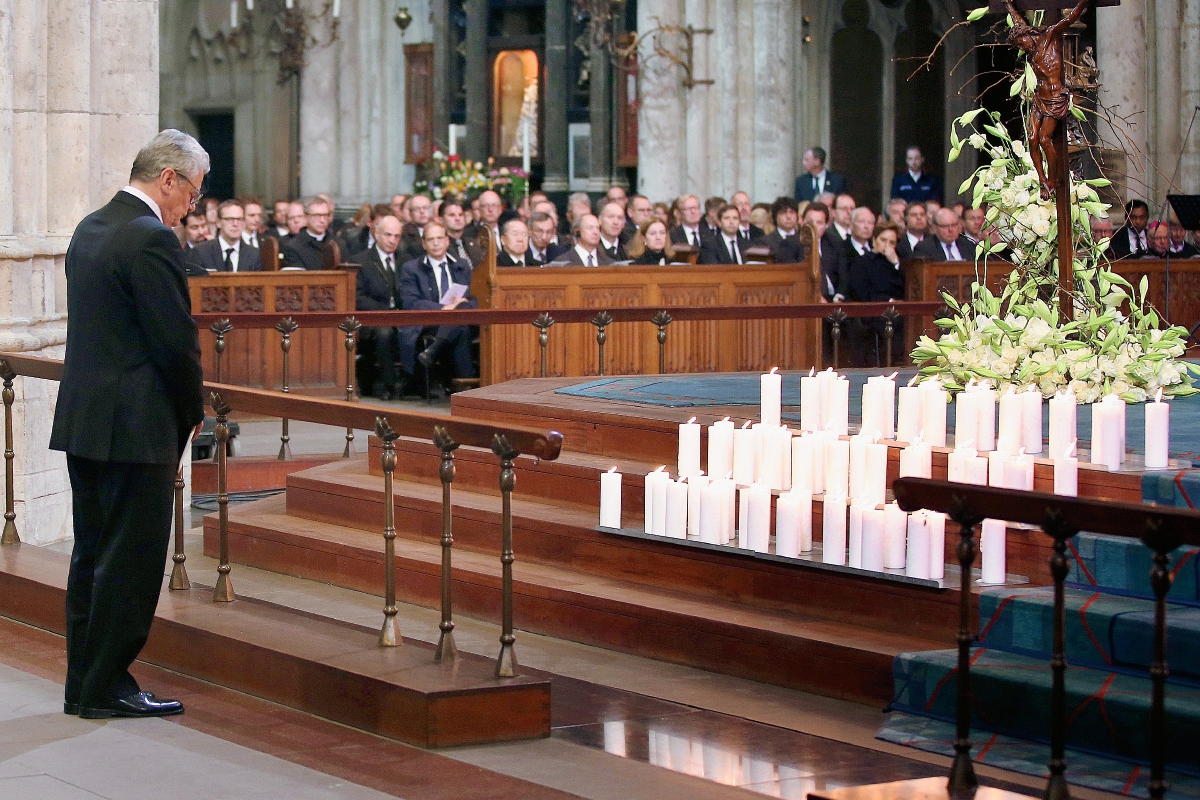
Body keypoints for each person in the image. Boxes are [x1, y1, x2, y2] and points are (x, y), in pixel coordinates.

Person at [51, 129, 206, 720]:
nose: (190, 207)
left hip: (86, 420)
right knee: (133, 561)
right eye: (191, 192)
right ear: (167, 178)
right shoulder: (149, 239)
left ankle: (82, 684)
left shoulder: (91, 226)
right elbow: (174, 343)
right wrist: (192, 411)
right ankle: (108, 684)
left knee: (91, 555)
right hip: (136, 427)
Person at [398, 222, 478, 385]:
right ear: (424, 244)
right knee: (460, 327)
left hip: (462, 317)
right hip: (430, 320)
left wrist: (458, 307)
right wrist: (444, 308)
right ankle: (465, 386)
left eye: (440, 239)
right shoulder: (411, 268)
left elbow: (473, 297)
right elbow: (411, 302)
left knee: (461, 318)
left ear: (447, 241)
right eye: (431, 239)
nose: (436, 243)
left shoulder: (461, 265)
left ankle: (433, 351)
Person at [355, 213, 404, 398]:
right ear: (376, 234)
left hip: (402, 317)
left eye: (396, 236)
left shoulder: (405, 260)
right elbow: (358, 297)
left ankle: (417, 385)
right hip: (372, 320)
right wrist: (386, 312)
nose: (392, 241)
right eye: (387, 235)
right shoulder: (362, 261)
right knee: (385, 334)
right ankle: (388, 386)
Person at [848, 221, 907, 366]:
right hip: (873, 311)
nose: (887, 245)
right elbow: (861, 292)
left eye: (892, 242)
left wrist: (895, 263)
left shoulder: (897, 264)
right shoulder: (861, 262)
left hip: (898, 311)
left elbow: (905, 288)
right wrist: (889, 300)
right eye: (883, 240)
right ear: (874, 240)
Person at [185, 199, 262, 273]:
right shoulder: (200, 252)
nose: (235, 224)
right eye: (229, 219)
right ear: (218, 222)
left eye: (239, 219)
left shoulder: (254, 254)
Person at [804, 201, 845, 301]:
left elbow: (844, 276)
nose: (814, 227)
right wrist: (817, 297)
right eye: (810, 222)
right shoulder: (790, 245)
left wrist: (839, 296)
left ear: (826, 225)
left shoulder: (834, 243)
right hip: (808, 298)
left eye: (819, 223)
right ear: (801, 221)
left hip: (833, 299)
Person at [282, 196, 334, 270]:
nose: (322, 220)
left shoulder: (338, 243)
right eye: (317, 215)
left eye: (325, 215)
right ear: (306, 216)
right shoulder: (294, 247)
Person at [442, 198, 483, 269]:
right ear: (442, 219)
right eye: (452, 215)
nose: (457, 218)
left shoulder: (474, 243)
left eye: (460, 215)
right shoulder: (441, 246)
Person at [762, 197, 805, 264]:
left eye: (792, 212)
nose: (788, 216)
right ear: (775, 216)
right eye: (783, 213)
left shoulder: (804, 240)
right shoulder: (765, 242)